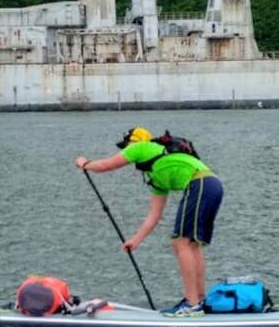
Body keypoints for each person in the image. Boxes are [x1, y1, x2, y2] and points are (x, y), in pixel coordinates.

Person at [75, 127, 224, 315]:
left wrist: (85, 163)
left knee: (181, 243)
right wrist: (135, 240)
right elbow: (155, 215)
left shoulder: (142, 146)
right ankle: (199, 300)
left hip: (200, 184)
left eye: (126, 146)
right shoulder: (156, 174)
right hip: (213, 184)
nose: (125, 150)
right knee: (192, 244)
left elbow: (106, 165)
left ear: (136, 141)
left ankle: (191, 304)